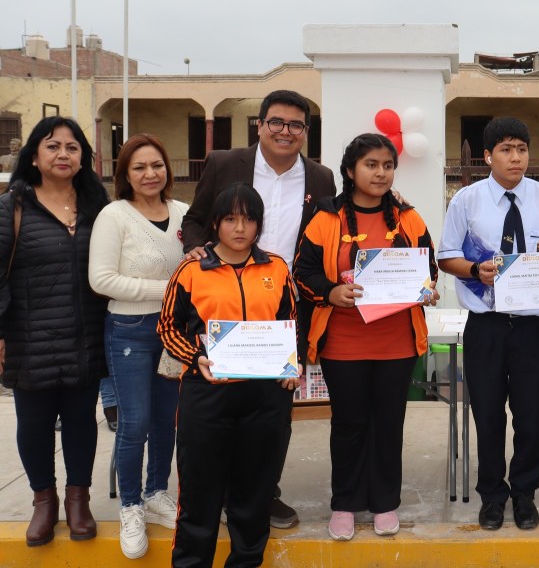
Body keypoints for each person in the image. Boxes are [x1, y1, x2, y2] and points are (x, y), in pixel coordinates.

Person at [181, 89, 335, 529]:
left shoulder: (321, 177)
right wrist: (198, 251)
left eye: (296, 125)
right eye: (276, 122)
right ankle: (218, 492)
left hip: (284, 308)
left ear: (306, 131)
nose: (286, 131)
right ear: (261, 125)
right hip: (224, 301)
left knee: (273, 410)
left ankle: (262, 493)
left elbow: (329, 229)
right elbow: (195, 219)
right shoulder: (224, 163)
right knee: (220, 401)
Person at [294, 133, 438, 541]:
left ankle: (384, 503)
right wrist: (330, 292)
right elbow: (302, 273)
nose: (380, 173)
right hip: (344, 343)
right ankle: (345, 503)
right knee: (349, 424)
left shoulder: (409, 218)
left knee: (389, 424)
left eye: (387, 165)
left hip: (397, 342)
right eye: (371, 165)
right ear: (350, 170)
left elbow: (429, 268)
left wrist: (427, 289)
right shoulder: (326, 218)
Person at [437, 117, 539, 531]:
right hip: (487, 327)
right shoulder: (467, 200)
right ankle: (492, 496)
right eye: (506, 149)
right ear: (488, 156)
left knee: (532, 417)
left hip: (532, 328)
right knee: (489, 416)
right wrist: (474, 270)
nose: (516, 158)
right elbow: (445, 256)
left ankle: (525, 493)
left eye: (522, 149)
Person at [160, 183, 300, 568]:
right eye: (230, 219)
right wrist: (196, 357)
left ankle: (246, 561)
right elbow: (167, 328)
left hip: (265, 398)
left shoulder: (276, 268)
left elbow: (290, 322)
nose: (240, 228)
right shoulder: (191, 270)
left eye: (249, 219)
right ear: (216, 224)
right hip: (207, 393)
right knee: (199, 497)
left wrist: (292, 363)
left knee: (254, 496)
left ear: (259, 225)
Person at [0, 116, 109, 547]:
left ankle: (78, 500)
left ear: (83, 158)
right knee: (35, 423)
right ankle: (43, 501)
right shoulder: (13, 208)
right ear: (34, 156)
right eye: (52, 146)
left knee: (82, 420)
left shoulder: (98, 208)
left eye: (72, 147)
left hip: (87, 334)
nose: (63, 154)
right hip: (29, 337)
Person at [89, 133, 188, 559]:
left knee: (167, 419)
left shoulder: (183, 211)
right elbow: (101, 279)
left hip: (174, 331)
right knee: (136, 422)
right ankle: (130, 505)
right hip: (129, 328)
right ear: (125, 174)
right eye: (140, 167)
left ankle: (156, 492)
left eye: (157, 165)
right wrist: (167, 290)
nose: (150, 174)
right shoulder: (114, 215)